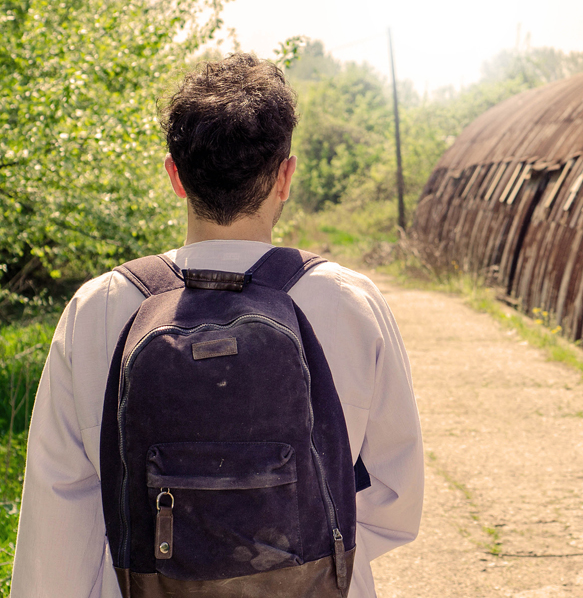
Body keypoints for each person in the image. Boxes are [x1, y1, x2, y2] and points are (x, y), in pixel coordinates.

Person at [10, 53, 423, 597]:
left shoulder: (100, 309)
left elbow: (56, 527)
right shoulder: (350, 303)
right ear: (285, 176)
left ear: (175, 176)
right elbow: (395, 500)